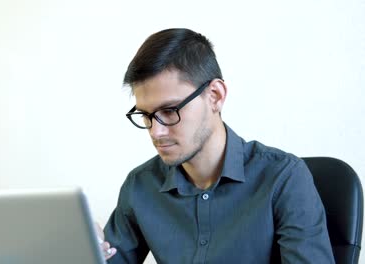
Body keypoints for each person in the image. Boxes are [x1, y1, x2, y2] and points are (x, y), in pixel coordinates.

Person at [97, 28, 335, 263]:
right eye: (146, 115)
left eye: (169, 111)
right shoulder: (140, 186)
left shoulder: (284, 177)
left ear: (215, 96)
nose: (155, 131)